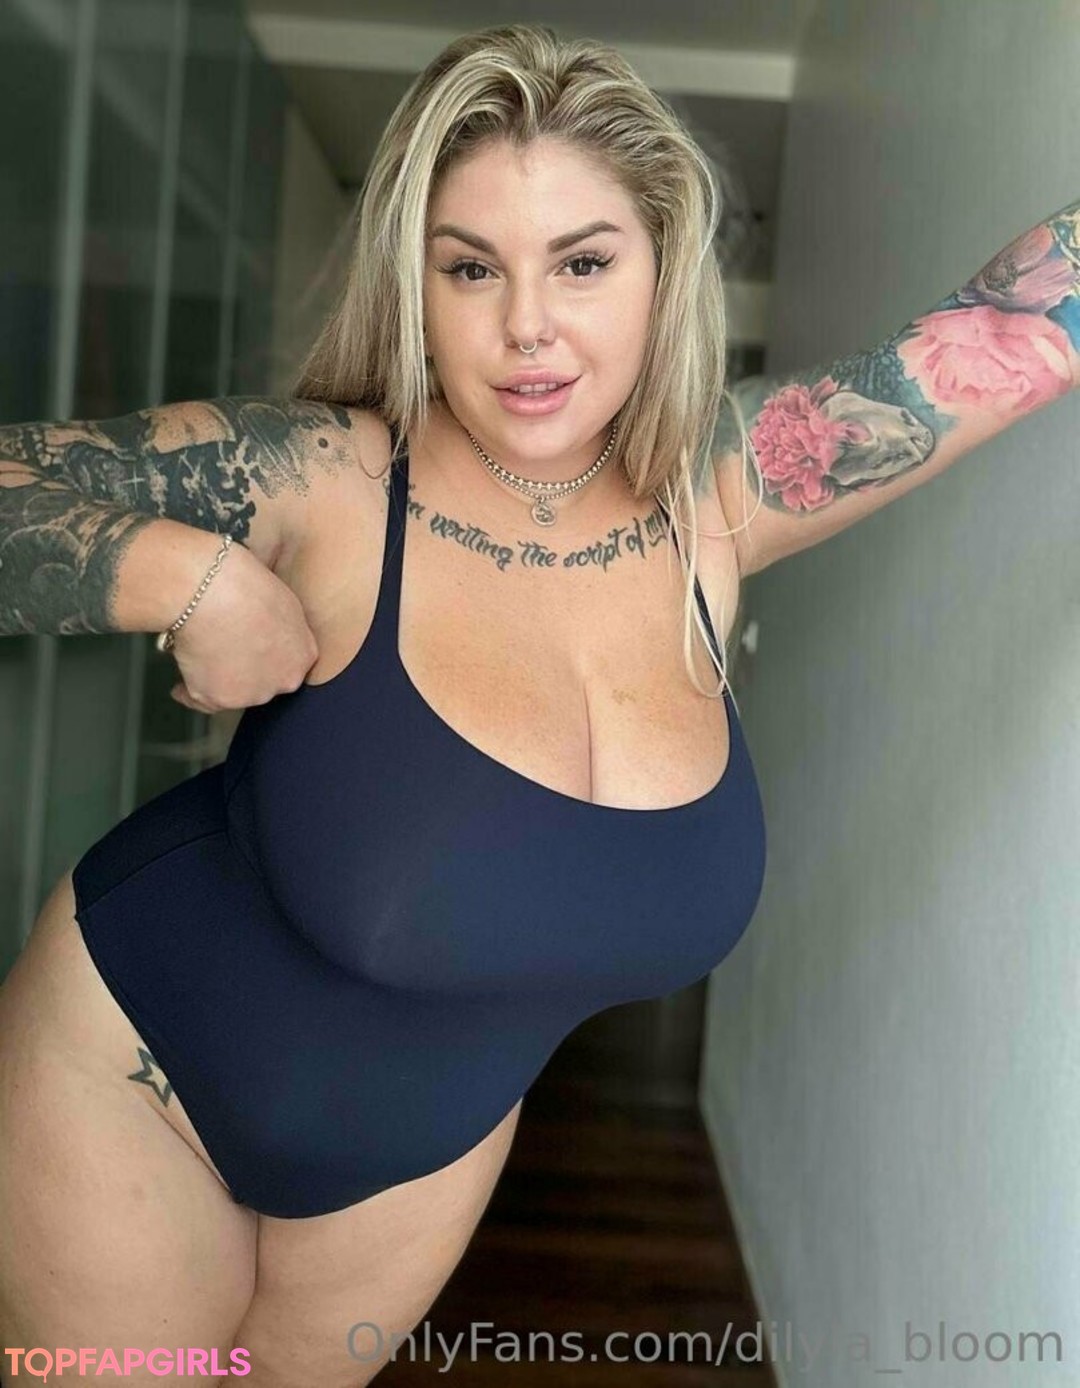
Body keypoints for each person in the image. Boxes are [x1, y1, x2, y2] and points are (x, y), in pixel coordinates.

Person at [0, 21, 1076, 1388]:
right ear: (417, 282)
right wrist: (184, 576)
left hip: (424, 1151)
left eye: (582, 262)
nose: (526, 326)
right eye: (471, 267)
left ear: (661, 269)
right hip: (138, 1063)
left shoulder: (724, 495)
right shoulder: (330, 477)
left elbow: (1015, 330)